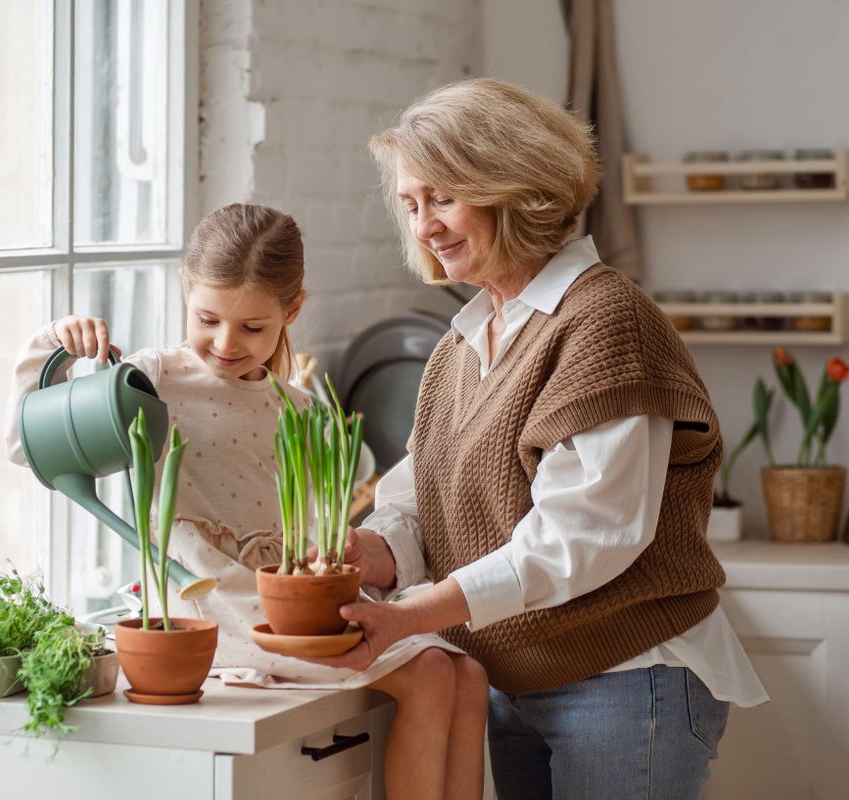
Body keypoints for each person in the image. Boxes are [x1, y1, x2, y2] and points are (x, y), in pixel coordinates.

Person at [306, 79, 769, 800]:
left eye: (443, 198)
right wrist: (373, 549)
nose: (424, 226)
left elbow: (584, 535)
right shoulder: (462, 346)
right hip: (514, 679)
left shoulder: (603, 322)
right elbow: (423, 498)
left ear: (513, 188)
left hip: (625, 680)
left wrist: (408, 616)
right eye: (411, 204)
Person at [4, 202, 489, 800]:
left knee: (469, 675)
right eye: (207, 319)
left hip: (285, 592)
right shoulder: (151, 380)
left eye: (253, 328)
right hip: (212, 598)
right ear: (186, 289)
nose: (226, 343)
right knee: (432, 672)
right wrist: (52, 346)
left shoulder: (297, 406)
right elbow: (26, 447)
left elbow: (309, 525)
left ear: (292, 311)